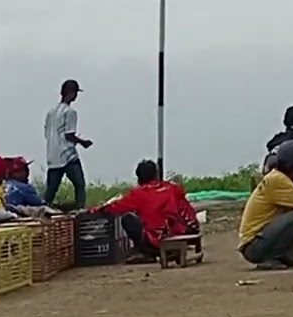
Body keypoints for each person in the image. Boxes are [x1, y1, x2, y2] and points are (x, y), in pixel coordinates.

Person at [93, 159, 201, 264]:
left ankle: (147, 252)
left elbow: (116, 207)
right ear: (156, 174)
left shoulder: (139, 193)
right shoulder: (173, 188)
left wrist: (97, 209)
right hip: (187, 230)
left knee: (128, 219)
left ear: (139, 178)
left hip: (159, 238)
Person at [238, 141, 293, 270]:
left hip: (257, 241)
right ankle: (271, 256)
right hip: (253, 246)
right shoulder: (278, 180)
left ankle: (281, 255)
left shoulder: (276, 177)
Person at [44, 78, 92, 209]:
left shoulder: (51, 113)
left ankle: (41, 212)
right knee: (79, 185)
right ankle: (80, 211)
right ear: (71, 93)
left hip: (53, 156)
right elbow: (69, 135)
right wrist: (83, 142)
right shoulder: (70, 112)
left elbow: (47, 133)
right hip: (67, 156)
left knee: (50, 192)